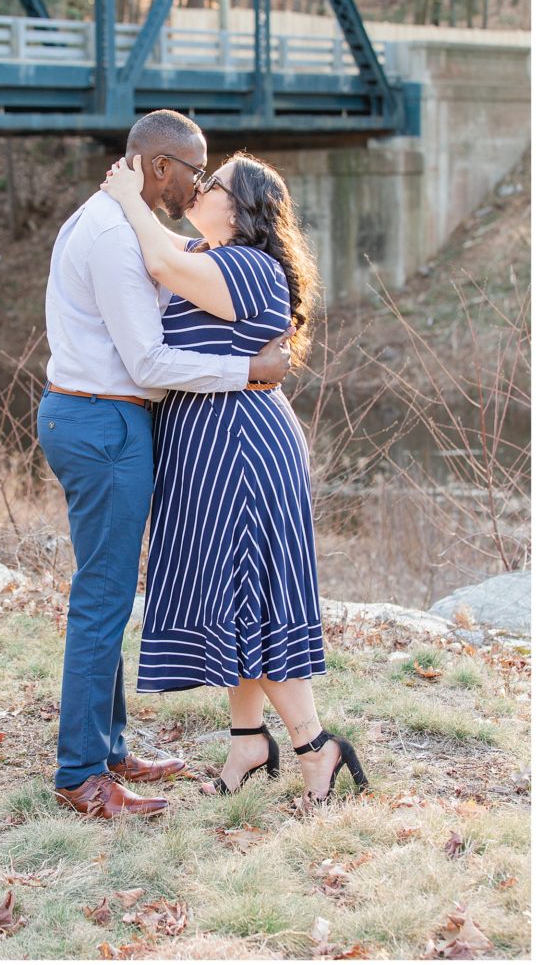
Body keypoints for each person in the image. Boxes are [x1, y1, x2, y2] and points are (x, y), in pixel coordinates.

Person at [37, 110, 294, 820]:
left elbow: (180, 257)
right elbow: (149, 361)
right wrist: (247, 368)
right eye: (193, 169)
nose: (198, 182)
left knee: (108, 592)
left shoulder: (118, 219)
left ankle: (109, 747)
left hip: (93, 413)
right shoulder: (115, 236)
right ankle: (81, 774)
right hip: (103, 420)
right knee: (103, 599)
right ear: (158, 168)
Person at [101, 151, 369, 805]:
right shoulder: (211, 253)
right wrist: (133, 198)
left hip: (242, 451)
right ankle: (248, 739)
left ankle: (316, 748)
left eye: (213, 182)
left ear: (242, 207)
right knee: (234, 598)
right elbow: (167, 246)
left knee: (252, 602)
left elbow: (161, 260)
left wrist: (126, 194)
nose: (200, 185)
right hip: (220, 445)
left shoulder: (250, 267)